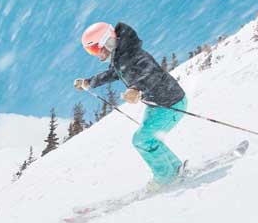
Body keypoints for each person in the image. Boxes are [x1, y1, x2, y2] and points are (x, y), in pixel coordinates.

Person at [74, 21, 188, 188]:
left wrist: (137, 88)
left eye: (96, 48)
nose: (97, 55)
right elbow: (113, 74)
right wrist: (89, 82)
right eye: (91, 51)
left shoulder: (133, 54)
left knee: (142, 140)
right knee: (149, 139)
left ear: (107, 40)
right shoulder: (121, 56)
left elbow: (150, 72)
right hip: (157, 104)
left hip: (170, 102)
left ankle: (166, 178)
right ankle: (175, 170)